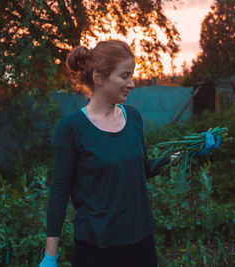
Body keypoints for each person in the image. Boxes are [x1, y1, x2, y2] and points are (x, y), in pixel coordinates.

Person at [39, 40, 218, 267]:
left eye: (132, 76)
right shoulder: (72, 128)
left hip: (140, 242)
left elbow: (145, 169)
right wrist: (51, 254)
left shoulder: (133, 117)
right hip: (96, 247)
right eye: (125, 76)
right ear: (99, 78)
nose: (132, 83)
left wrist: (188, 151)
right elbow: (60, 190)